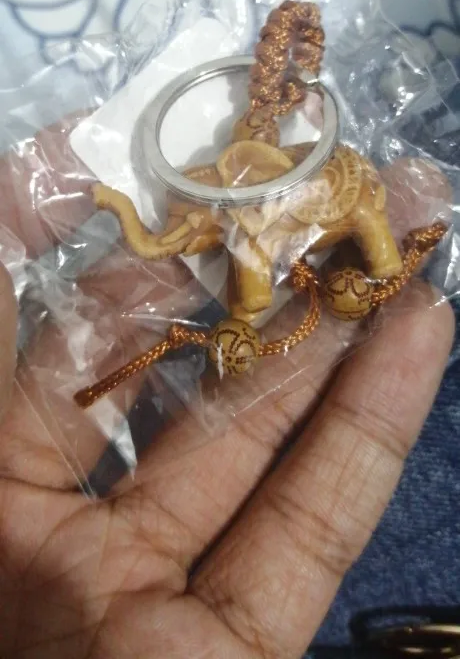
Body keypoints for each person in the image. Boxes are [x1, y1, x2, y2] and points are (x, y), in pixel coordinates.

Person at [0, 118, 454, 658]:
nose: (184, 237)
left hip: (343, 196)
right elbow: (249, 293)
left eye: (194, 222)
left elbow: (252, 295)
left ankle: (382, 254)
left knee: (375, 250)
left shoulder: (255, 219)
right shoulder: (246, 226)